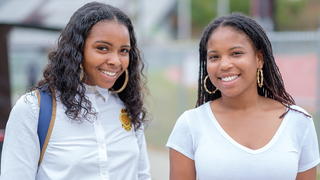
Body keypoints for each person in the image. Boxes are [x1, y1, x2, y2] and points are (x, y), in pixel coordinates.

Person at [1, 2, 151, 180]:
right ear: (77, 49)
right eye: (102, 48)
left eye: (124, 51)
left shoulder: (128, 108)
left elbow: (142, 176)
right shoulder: (34, 109)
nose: (116, 61)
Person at [166, 13, 320, 180]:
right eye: (214, 57)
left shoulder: (298, 121)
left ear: (259, 59)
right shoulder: (190, 124)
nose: (224, 64)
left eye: (236, 53)